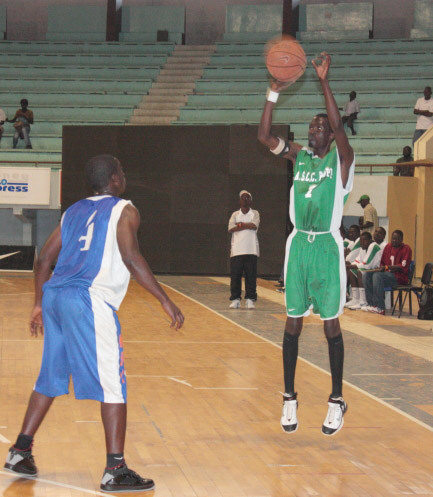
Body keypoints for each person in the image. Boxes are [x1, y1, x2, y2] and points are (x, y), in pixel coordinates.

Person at [3, 154, 185, 492]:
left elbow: (44, 258)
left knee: (51, 375)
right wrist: (164, 299)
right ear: (115, 178)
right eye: (122, 171)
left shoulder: (73, 211)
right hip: (88, 300)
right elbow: (131, 256)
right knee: (113, 383)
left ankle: (20, 450)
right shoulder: (125, 210)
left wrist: (38, 303)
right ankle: (115, 469)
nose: (124, 176)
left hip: (56, 295)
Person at [258, 52, 355, 436]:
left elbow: (338, 124)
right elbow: (264, 137)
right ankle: (289, 399)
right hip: (298, 246)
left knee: (331, 326)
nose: (312, 131)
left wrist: (324, 81)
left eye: (319, 127)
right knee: (292, 322)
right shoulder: (299, 157)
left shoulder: (343, 159)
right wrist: (272, 93)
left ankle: (335, 400)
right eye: (311, 127)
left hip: (327, 250)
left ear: (330, 135)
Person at [362, 229, 412, 315]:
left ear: (401, 240)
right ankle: (371, 304)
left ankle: (380, 307)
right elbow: (383, 263)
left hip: (399, 278)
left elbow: (402, 266)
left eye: (397, 239)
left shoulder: (406, 249)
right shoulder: (388, 247)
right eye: (393, 238)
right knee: (367, 274)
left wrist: (387, 267)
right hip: (387, 275)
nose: (394, 241)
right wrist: (381, 268)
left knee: (377, 276)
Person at [228, 190, 260, 309]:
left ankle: (250, 299)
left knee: (251, 276)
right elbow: (231, 228)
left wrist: (241, 225)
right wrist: (246, 225)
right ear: (239, 201)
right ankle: (235, 299)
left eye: (247, 198)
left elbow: (254, 225)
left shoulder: (255, 213)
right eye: (243, 198)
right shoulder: (235, 214)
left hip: (251, 250)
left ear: (250, 201)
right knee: (235, 276)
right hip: (237, 250)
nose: (245, 200)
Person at [345, 231, 382, 310]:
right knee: (351, 270)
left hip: (376, 271)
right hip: (369, 269)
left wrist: (352, 265)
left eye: (364, 240)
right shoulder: (363, 248)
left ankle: (363, 301)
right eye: (361, 240)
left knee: (359, 271)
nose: (361, 243)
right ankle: (356, 299)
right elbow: (358, 260)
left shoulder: (373, 246)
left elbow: (366, 264)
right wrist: (350, 266)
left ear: (369, 240)